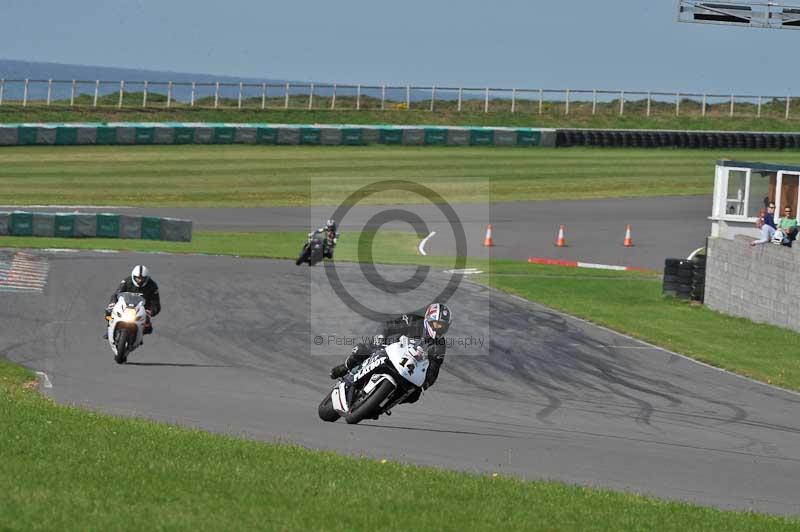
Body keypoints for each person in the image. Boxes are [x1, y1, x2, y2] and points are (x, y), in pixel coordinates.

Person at [329, 302, 452, 403]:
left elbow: (434, 369)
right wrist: (380, 337)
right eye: (436, 324)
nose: (438, 328)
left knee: (414, 396)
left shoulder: (439, 345)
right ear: (428, 320)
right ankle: (345, 367)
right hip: (389, 347)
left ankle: (383, 405)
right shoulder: (413, 320)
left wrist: (425, 384)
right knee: (364, 348)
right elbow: (388, 325)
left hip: (407, 368)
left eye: (442, 326)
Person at [103, 265, 161, 338]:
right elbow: (116, 294)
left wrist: (151, 311)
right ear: (133, 276)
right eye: (138, 278)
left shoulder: (152, 286)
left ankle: (139, 336)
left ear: (146, 278)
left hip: (143, 308)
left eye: (142, 278)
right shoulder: (126, 281)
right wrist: (112, 303)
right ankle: (110, 329)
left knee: (148, 328)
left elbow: (156, 303)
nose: (139, 280)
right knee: (108, 313)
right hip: (125, 305)